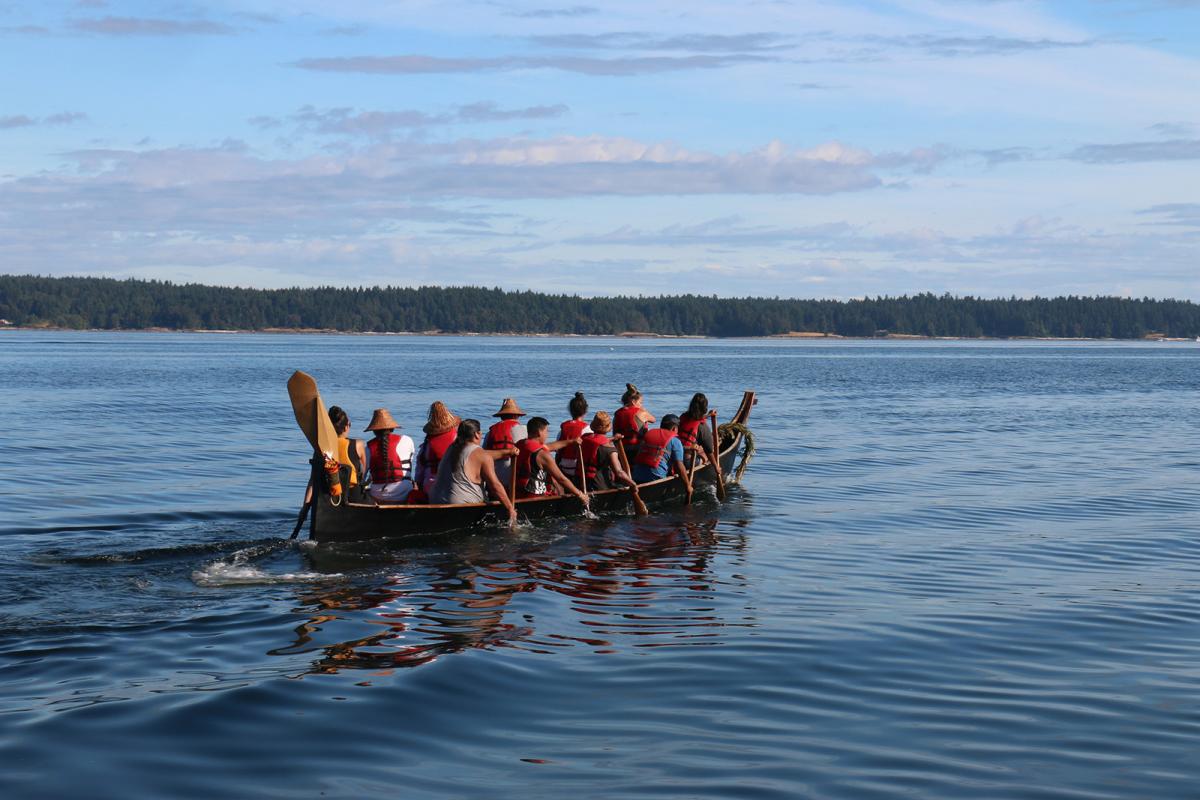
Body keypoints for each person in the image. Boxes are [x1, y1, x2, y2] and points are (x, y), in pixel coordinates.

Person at [430, 419, 518, 527]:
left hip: (435, 500)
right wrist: (510, 508)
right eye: (481, 433)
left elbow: (483, 455)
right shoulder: (480, 455)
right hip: (461, 505)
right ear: (477, 434)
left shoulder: (452, 447)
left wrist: (507, 452)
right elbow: (495, 486)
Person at [515, 417, 589, 507]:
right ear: (539, 432)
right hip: (535, 496)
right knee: (558, 486)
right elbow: (561, 479)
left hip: (518, 492)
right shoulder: (542, 455)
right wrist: (580, 495)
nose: (547, 434)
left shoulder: (520, 444)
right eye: (546, 431)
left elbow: (549, 446)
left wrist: (571, 441)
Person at [631, 414, 692, 501]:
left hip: (636, 476)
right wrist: (688, 486)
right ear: (674, 429)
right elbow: (679, 466)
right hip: (656, 479)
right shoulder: (675, 441)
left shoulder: (649, 434)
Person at [411, 401, 461, 502]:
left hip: (430, 488)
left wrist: (419, 487)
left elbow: (419, 473)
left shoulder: (427, 444)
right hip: (455, 487)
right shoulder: (458, 439)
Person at [363, 408, 415, 503]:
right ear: (392, 428)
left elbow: (363, 476)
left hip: (377, 496)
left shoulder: (368, 448)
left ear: (373, 431)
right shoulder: (407, 440)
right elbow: (409, 466)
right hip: (404, 493)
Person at [579, 411, 638, 492]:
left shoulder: (584, 438)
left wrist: (613, 438)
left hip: (581, 482)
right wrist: (633, 484)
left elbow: (596, 440)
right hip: (598, 486)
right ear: (608, 427)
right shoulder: (609, 449)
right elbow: (619, 473)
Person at [484, 397, 528, 488]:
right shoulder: (524, 430)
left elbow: (483, 454)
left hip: (495, 479)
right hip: (514, 479)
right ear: (517, 416)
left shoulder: (489, 433)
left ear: (501, 416)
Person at [328, 405, 368, 501]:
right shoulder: (358, 444)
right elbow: (363, 472)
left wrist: (306, 506)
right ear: (346, 427)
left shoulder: (323, 447)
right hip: (353, 493)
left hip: (329, 492)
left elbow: (313, 480)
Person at [555, 391, 592, 485]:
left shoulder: (562, 429)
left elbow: (558, 451)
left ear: (570, 410)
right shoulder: (587, 429)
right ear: (586, 410)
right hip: (579, 469)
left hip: (564, 468)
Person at [677, 392, 715, 467]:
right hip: (687, 462)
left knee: (699, 448)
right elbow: (709, 451)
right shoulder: (702, 426)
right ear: (704, 408)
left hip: (675, 458)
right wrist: (716, 467)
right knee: (705, 454)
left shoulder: (682, 417)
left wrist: (709, 415)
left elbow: (695, 418)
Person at [613, 383, 655, 448]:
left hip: (622, 448)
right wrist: (644, 410)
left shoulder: (617, 413)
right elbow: (653, 420)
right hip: (638, 448)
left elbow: (615, 432)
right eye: (640, 402)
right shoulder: (641, 412)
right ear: (633, 402)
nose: (641, 405)